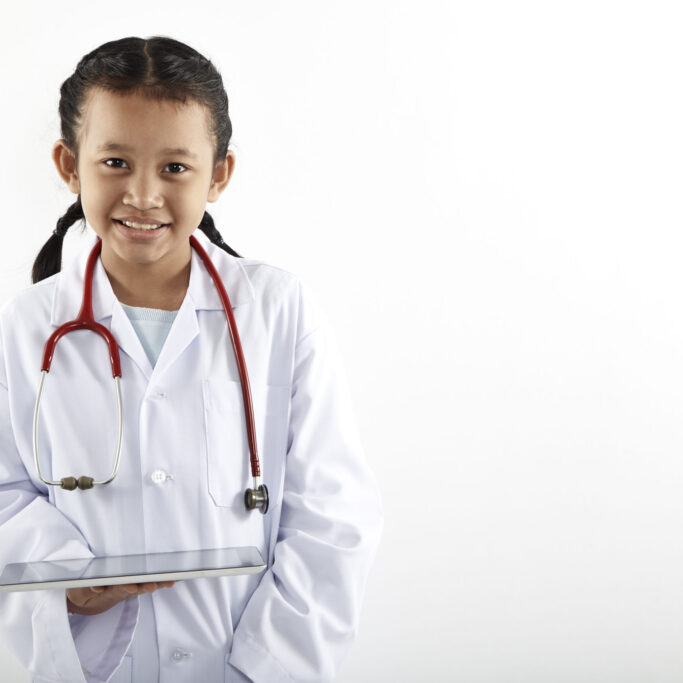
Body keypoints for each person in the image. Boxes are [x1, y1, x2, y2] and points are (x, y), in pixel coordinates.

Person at [0, 36, 382, 682]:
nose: (143, 194)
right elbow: (6, 492)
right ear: (70, 165)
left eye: (175, 168)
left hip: (246, 659)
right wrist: (64, 573)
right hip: (97, 662)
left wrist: (264, 668)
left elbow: (332, 516)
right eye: (115, 161)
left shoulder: (277, 309)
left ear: (219, 173)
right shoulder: (27, 326)